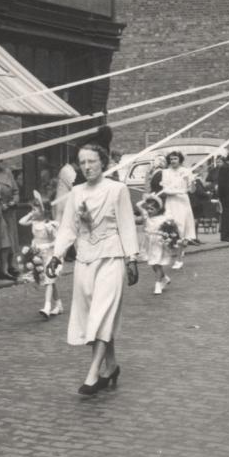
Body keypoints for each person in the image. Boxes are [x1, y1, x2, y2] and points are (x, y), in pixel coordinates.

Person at [46, 142, 139, 396]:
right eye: (83, 162)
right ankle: (112, 366)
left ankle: (92, 375)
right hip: (85, 260)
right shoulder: (76, 192)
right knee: (93, 318)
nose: (87, 166)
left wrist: (132, 257)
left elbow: (127, 225)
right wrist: (56, 255)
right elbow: (68, 227)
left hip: (111, 258)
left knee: (102, 314)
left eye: (92, 161)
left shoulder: (117, 189)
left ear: (103, 162)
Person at [19, 194, 62, 318]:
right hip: (38, 255)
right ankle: (59, 305)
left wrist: (47, 246)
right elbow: (21, 222)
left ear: (43, 211)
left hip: (49, 255)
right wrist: (30, 214)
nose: (32, 211)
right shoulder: (34, 222)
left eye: (34, 209)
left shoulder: (49, 225)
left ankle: (47, 307)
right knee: (51, 281)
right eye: (32, 209)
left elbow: (58, 240)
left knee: (49, 280)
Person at [160, 151, 196, 269]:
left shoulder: (186, 171)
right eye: (171, 159)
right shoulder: (165, 172)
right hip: (171, 202)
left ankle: (179, 258)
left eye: (175, 159)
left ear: (180, 159)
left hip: (183, 203)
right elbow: (165, 190)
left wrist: (191, 182)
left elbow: (192, 191)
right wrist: (181, 191)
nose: (173, 161)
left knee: (181, 230)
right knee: (169, 228)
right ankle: (175, 253)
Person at [135, 194, 175, 295]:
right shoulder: (146, 216)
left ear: (158, 209)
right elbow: (138, 205)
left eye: (152, 209)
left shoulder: (163, 218)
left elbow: (171, 228)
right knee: (153, 263)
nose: (149, 211)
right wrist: (149, 199)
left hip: (158, 243)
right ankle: (164, 278)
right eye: (148, 208)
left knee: (157, 263)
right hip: (149, 243)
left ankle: (158, 284)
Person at [0, 158, 21, 278]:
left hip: (9, 212)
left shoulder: (8, 173)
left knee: (11, 239)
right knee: (0, 240)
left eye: (1, 161)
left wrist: (13, 201)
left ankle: (10, 265)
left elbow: (16, 191)